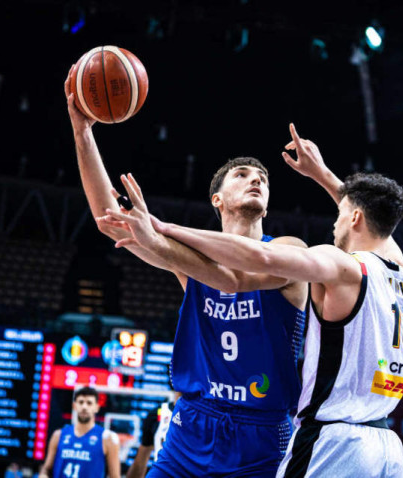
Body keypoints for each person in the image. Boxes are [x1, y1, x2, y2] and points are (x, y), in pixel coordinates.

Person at [104, 123, 403, 477]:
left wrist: (163, 228)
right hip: (385, 442)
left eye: (340, 215)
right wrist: (323, 175)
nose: (334, 225)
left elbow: (253, 264)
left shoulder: (340, 264)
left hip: (333, 438)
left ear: (355, 217)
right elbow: (373, 222)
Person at [65, 70, 308, 477]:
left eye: (262, 179)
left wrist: (159, 235)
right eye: (242, 175)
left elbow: (235, 275)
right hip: (193, 423)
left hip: (262, 433)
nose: (256, 179)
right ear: (217, 199)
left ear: (267, 204)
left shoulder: (289, 251)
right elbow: (109, 220)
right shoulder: (190, 258)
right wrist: (83, 132)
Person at [38, 387, 120, 478]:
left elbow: (115, 476)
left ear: (97, 407)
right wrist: (43, 475)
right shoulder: (59, 435)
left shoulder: (107, 438)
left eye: (89, 403)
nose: (84, 407)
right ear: (74, 406)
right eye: (81, 402)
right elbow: (47, 468)